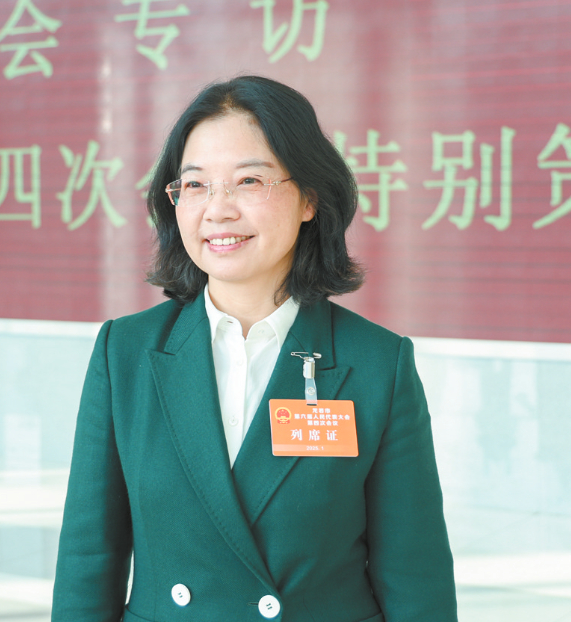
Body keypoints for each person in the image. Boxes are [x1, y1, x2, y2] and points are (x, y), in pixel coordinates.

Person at [52, 75, 457, 622]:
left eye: (248, 181)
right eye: (195, 185)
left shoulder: (378, 364)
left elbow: (416, 576)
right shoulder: (124, 352)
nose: (217, 210)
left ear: (310, 197)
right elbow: (87, 560)